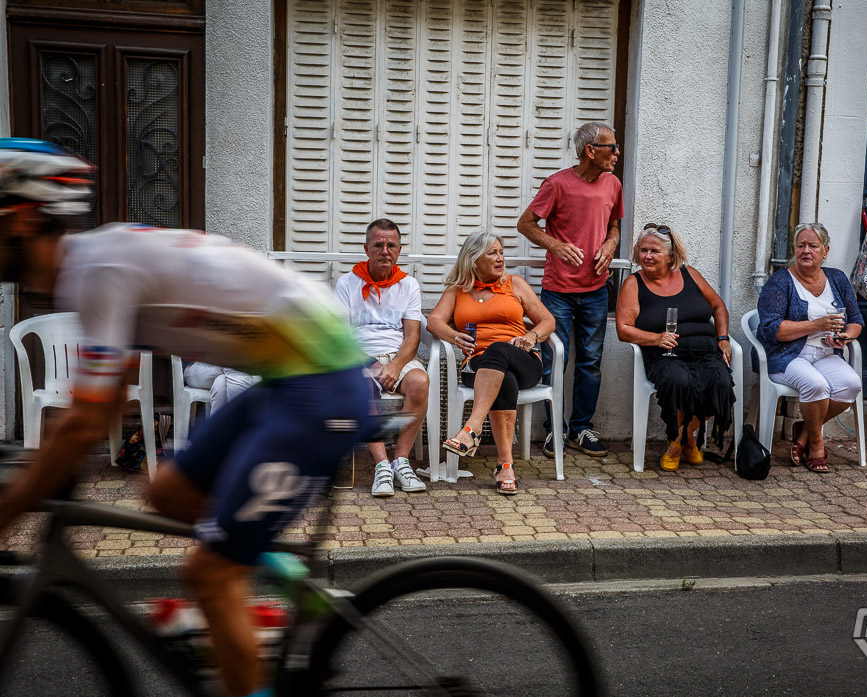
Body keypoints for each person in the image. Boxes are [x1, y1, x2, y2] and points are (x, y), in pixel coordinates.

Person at [0, 138, 373, 697]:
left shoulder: (95, 272)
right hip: (288, 375)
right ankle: (261, 589)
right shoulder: (90, 269)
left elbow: (84, 420)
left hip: (321, 384)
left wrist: (10, 507)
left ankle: (235, 593)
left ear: (25, 220)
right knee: (167, 490)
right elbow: (99, 399)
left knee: (208, 572)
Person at [517, 121, 624, 459]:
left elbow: (615, 228)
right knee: (552, 362)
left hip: (596, 290)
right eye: (612, 147)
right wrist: (556, 246)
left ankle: (581, 428)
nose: (617, 154)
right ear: (590, 151)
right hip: (558, 292)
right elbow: (526, 224)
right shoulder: (558, 184)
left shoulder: (613, 184)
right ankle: (555, 432)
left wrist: (610, 245)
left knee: (590, 362)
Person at [426, 231, 555, 495]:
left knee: (498, 349)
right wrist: (454, 336)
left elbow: (548, 321)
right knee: (502, 376)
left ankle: (471, 430)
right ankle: (505, 466)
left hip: (523, 362)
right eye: (492, 253)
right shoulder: (457, 290)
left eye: (501, 252)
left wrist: (532, 336)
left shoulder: (515, 284)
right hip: (478, 367)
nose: (500, 258)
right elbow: (434, 321)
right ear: (474, 260)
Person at [616, 224, 735, 471]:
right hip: (664, 354)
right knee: (678, 382)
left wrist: (722, 338)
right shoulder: (634, 283)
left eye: (654, 251)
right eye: (643, 250)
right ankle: (687, 441)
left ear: (670, 256)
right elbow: (623, 329)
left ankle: (678, 440)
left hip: (704, 349)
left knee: (720, 383)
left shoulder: (689, 274)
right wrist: (655, 338)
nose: (646, 256)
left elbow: (719, 307)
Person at [756, 223, 863, 473]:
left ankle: (804, 432)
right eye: (801, 245)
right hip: (787, 356)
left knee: (851, 385)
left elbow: (856, 321)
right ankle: (816, 443)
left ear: (825, 251)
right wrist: (816, 325)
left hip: (826, 353)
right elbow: (772, 330)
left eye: (813, 246)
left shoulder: (836, 278)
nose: (806, 251)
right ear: (794, 249)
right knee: (816, 385)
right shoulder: (780, 281)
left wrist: (844, 337)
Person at [334, 218, 428, 498]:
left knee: (420, 382)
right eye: (378, 245)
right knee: (360, 387)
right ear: (366, 249)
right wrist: (372, 365)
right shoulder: (347, 283)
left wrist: (395, 365)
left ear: (399, 250)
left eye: (391, 245)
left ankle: (401, 460)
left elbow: (412, 337)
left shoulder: (408, 285)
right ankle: (382, 466)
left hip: (397, 356)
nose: (385, 250)